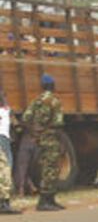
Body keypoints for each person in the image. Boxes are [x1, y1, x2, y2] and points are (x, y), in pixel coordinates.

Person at [24, 74, 67, 211]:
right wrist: (62, 143)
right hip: (52, 137)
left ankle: (50, 200)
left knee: (46, 167)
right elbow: (58, 123)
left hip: (41, 138)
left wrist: (34, 133)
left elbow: (26, 118)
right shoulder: (54, 101)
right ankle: (45, 201)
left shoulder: (36, 101)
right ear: (53, 86)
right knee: (52, 169)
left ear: (42, 86)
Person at [0, 91, 20, 214]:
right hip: (3, 140)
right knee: (6, 169)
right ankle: (5, 203)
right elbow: (17, 125)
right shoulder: (6, 110)